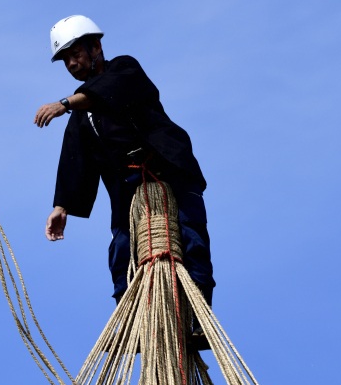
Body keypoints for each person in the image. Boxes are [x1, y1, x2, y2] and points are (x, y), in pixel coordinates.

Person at [33, 15, 214, 306]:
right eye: (65, 60)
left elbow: (106, 92)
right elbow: (74, 159)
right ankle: (131, 320)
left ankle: (198, 313)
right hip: (127, 191)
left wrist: (63, 104)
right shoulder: (82, 116)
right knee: (121, 254)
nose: (72, 64)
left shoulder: (125, 69)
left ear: (96, 47)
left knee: (191, 237)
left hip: (169, 170)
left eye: (76, 54)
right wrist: (61, 206)